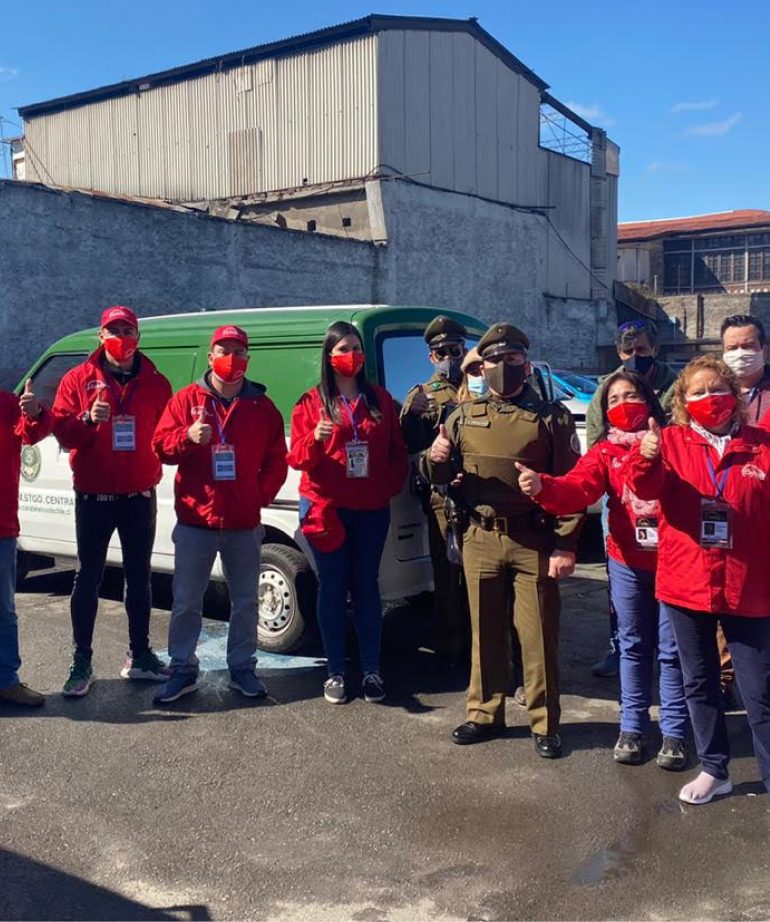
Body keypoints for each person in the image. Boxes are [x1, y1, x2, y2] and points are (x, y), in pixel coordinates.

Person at [423, 322, 583, 758]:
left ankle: (544, 721)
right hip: (480, 536)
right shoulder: (461, 416)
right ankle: (483, 713)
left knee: (537, 635)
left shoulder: (552, 418)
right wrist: (434, 461)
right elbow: (437, 476)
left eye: (512, 360)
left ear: (526, 364)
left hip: (533, 539)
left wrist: (566, 544)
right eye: (494, 360)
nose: (502, 368)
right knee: (485, 632)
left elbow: (573, 484)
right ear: (482, 366)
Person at [516, 370, 689, 769]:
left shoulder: (674, 442)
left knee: (670, 649)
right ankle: (632, 727)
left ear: (648, 399)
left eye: (631, 394)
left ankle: (676, 732)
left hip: (674, 560)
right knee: (631, 644)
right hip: (627, 560)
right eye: (613, 400)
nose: (623, 403)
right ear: (603, 411)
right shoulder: (604, 453)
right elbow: (578, 488)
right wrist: (543, 487)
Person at [627, 354, 770, 804]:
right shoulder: (667, 441)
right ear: (684, 402)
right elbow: (644, 489)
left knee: (759, 688)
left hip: (749, 585)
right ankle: (715, 769)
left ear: (733, 393)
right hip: (686, 583)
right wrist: (647, 457)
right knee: (700, 682)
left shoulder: (762, 444)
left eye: (717, 388)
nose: (710, 398)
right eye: (698, 392)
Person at [152, 325, 287, 703]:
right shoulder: (185, 401)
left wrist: (257, 495)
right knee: (186, 600)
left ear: (248, 359)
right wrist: (187, 438)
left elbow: (277, 461)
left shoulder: (263, 408)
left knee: (245, 600)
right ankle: (182, 669)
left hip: (244, 524)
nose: (232, 359)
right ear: (210, 357)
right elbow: (160, 447)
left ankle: (242, 668)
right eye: (224, 351)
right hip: (196, 521)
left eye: (239, 352)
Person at [51, 305, 173, 696]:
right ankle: (81, 660)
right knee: (87, 577)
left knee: (139, 577)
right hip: (94, 495)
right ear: (100, 337)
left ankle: (139, 655)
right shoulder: (77, 379)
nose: (121, 336)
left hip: (139, 494)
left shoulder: (156, 382)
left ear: (138, 337)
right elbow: (63, 433)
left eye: (128, 329)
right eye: (113, 329)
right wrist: (87, 420)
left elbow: (166, 434)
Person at [288, 321, 408, 704]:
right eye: (343, 349)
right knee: (332, 589)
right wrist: (315, 439)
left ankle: (371, 669)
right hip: (327, 509)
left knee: (367, 587)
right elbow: (297, 459)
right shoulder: (311, 403)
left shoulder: (380, 400)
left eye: (356, 348)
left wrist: (383, 487)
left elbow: (396, 453)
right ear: (329, 355)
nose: (351, 355)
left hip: (371, 510)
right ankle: (336, 671)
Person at [586, 318, 679, 679]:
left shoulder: (676, 386)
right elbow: (596, 440)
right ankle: (619, 646)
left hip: (668, 498)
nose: (634, 357)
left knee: (671, 581)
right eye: (628, 351)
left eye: (641, 350)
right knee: (621, 581)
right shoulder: (608, 388)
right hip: (623, 499)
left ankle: (672, 650)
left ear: (654, 349)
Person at [400, 316, 468, 668]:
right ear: (430, 357)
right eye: (440, 352)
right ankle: (451, 645)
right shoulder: (421, 395)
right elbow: (407, 448)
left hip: (478, 495)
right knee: (446, 574)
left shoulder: (478, 387)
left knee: (482, 577)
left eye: (454, 350)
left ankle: (482, 645)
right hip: (442, 498)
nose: (448, 357)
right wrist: (412, 418)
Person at [719, 313, 770, 704]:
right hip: (725, 521)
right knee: (725, 605)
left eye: (748, 346)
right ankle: (725, 680)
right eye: (732, 348)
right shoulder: (714, 397)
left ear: (763, 349)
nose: (741, 355)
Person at [0, 381, 52, 707]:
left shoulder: (8, 404)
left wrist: (35, 413)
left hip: (1, 528)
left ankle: (7, 680)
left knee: (4, 610)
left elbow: (33, 433)